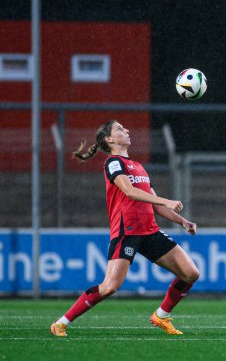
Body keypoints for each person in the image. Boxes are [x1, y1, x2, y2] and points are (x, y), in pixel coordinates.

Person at [50, 120, 199, 337]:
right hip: (126, 232)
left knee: (190, 273)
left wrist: (182, 221)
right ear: (109, 140)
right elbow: (129, 191)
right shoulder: (113, 162)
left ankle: (161, 316)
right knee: (109, 287)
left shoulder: (138, 166)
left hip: (149, 231)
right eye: (119, 129)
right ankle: (61, 322)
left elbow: (155, 205)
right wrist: (167, 200)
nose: (126, 130)